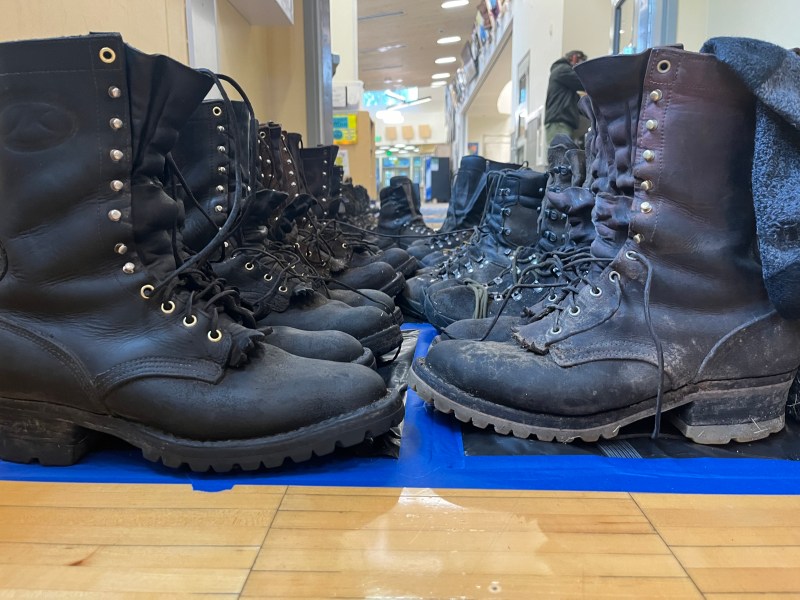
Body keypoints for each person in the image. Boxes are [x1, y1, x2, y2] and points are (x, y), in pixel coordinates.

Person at [544, 50, 588, 146]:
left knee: (562, 151)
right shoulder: (562, 70)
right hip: (559, 122)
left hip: (560, 122)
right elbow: (582, 82)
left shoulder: (563, 77)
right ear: (574, 58)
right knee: (560, 152)